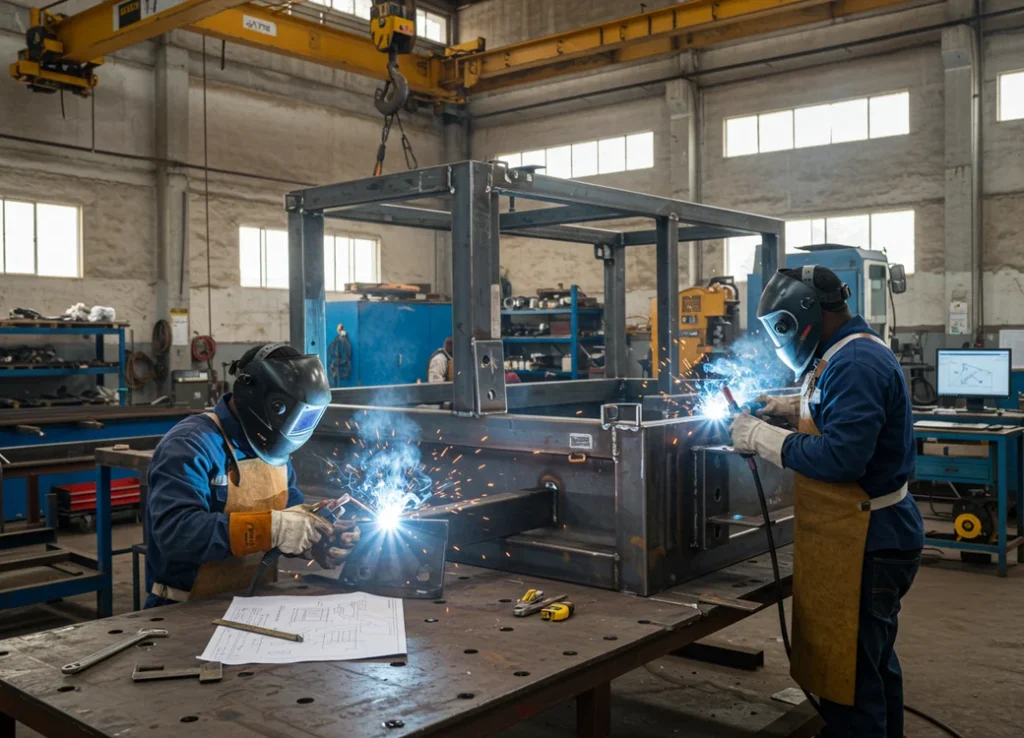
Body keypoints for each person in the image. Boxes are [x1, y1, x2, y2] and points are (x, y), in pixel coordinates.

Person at [730, 265, 924, 738]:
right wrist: (785, 408)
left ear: (807, 317)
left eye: (781, 328)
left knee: (851, 680)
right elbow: (835, 410)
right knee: (872, 664)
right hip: (873, 534)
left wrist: (758, 435)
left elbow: (842, 457)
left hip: (869, 542)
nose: (780, 341)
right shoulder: (845, 352)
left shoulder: (854, 363)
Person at [144, 342, 357, 608]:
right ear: (259, 398)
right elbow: (175, 534)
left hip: (256, 604)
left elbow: (289, 513)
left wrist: (317, 537)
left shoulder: (273, 450)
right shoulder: (191, 444)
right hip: (184, 609)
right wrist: (272, 528)